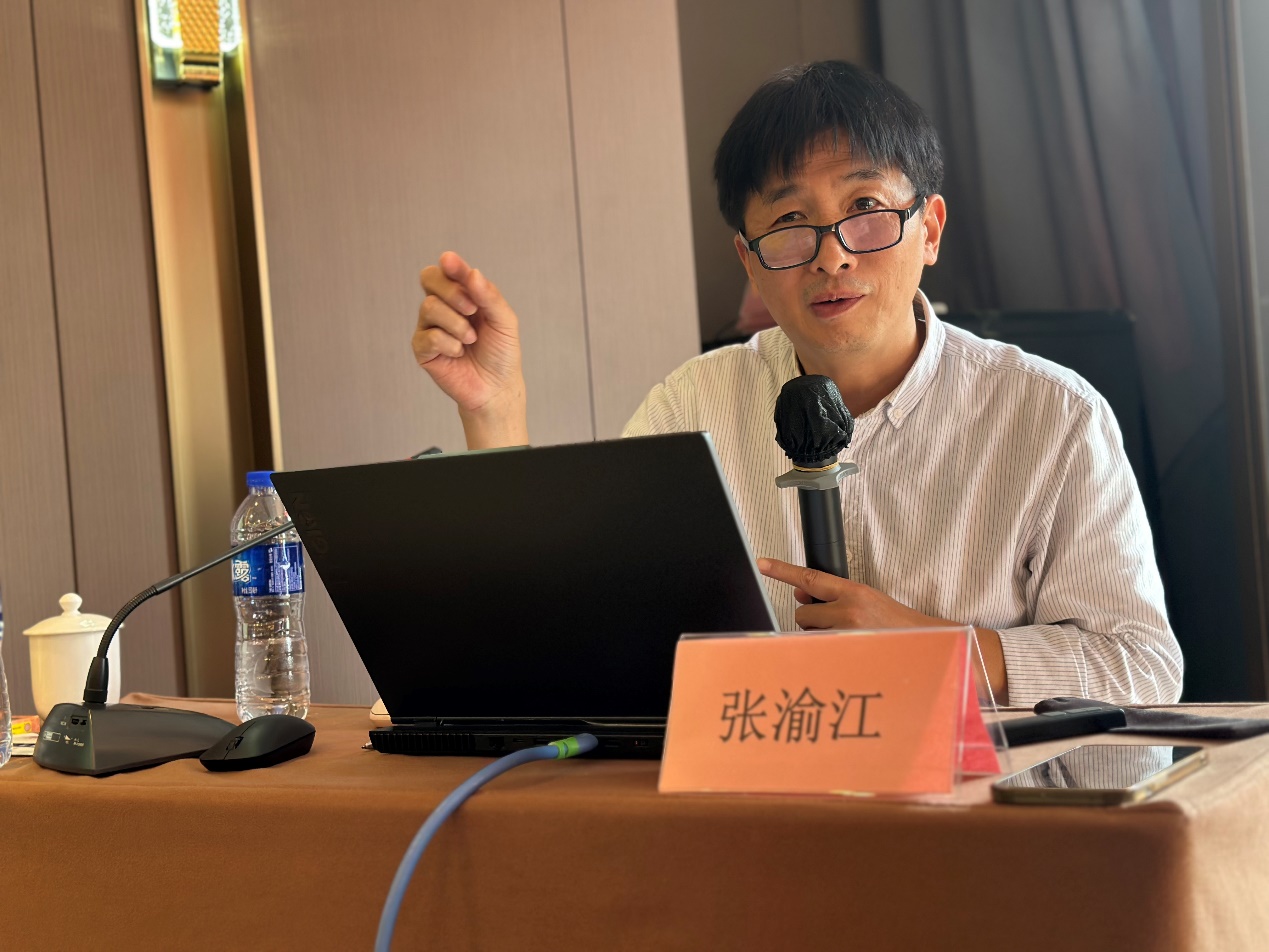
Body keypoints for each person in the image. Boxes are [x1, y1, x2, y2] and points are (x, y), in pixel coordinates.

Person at [410, 60, 1182, 707]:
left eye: (865, 208)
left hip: (984, 822)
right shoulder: (690, 406)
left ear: (930, 229)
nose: (831, 255)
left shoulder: (1052, 414)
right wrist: (495, 412)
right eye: (788, 223)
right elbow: (580, 634)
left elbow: (1142, 667)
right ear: (748, 260)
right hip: (759, 819)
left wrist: (930, 648)